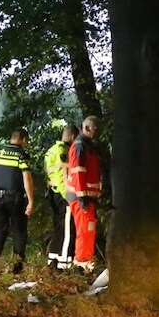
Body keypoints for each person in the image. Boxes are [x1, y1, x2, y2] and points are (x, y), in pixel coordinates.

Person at [0, 128, 36, 275]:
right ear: (23, 140)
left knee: (0, 230)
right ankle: (17, 267)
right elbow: (27, 179)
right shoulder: (21, 155)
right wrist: (31, 201)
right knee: (19, 231)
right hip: (15, 198)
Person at [66, 116, 103, 274]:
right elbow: (78, 172)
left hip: (87, 197)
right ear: (87, 128)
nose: (98, 133)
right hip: (81, 197)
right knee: (85, 231)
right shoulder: (80, 146)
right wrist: (82, 197)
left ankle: (85, 264)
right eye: (96, 129)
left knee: (88, 230)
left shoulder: (87, 146)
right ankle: (81, 266)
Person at [44, 124, 79, 270]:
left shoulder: (51, 150)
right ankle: (64, 263)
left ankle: (53, 259)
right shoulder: (64, 151)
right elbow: (62, 176)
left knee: (58, 227)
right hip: (62, 194)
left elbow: (50, 173)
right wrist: (68, 196)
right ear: (73, 137)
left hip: (53, 192)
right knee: (67, 229)